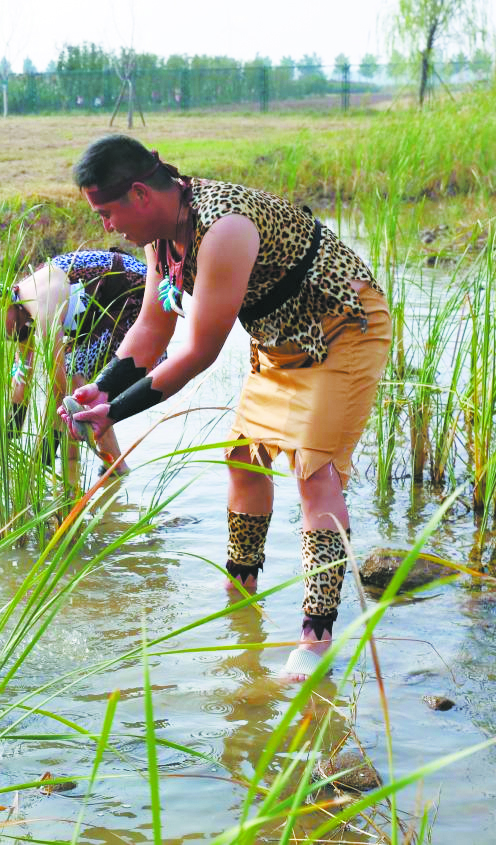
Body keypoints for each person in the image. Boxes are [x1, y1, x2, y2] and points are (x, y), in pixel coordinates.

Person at [61, 135, 391, 681]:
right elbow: (151, 330)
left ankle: (316, 637)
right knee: (243, 459)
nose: (107, 227)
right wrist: (101, 389)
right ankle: (242, 592)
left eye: (107, 212)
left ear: (140, 194)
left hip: (343, 327)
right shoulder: (163, 240)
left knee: (315, 472)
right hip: (280, 341)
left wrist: (114, 413)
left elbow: (199, 353)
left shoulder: (223, 227)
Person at [0, 250, 148, 475]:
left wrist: (41, 459)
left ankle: (116, 467)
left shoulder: (40, 307)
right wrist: (7, 437)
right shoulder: (19, 315)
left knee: (75, 380)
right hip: (93, 311)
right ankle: (73, 468)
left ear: (1, 300)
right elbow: (21, 380)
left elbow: (59, 387)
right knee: (74, 379)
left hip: (129, 287)